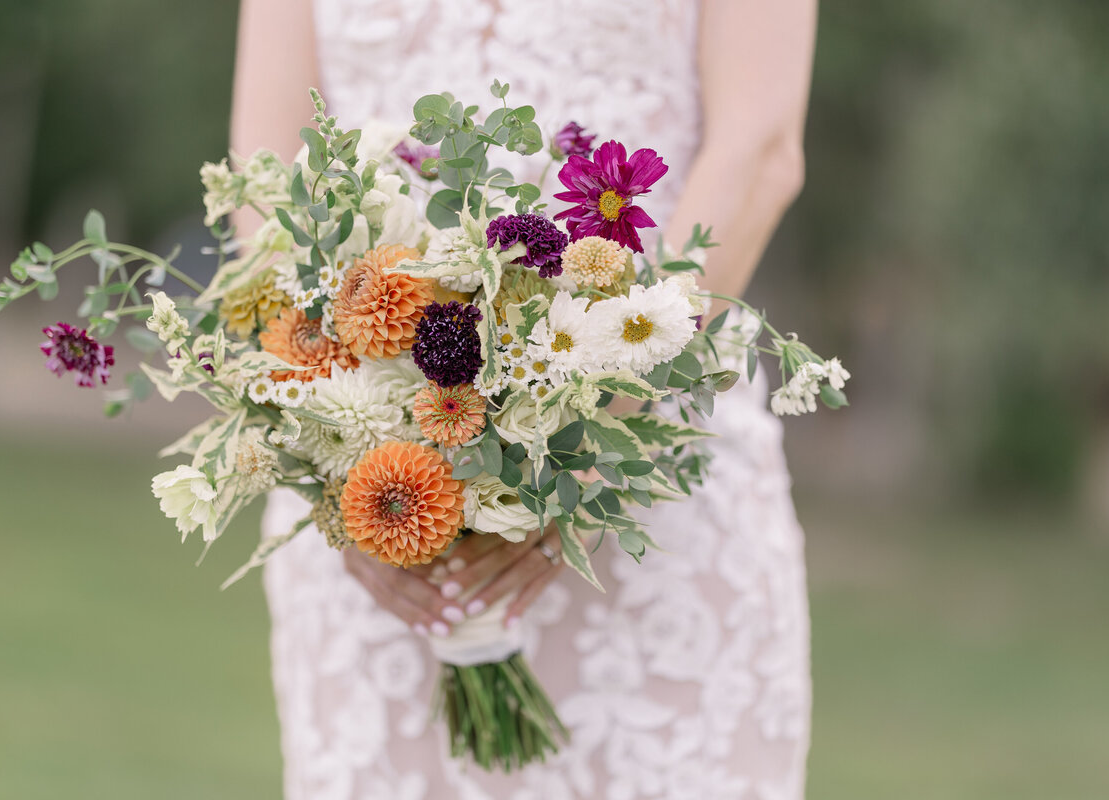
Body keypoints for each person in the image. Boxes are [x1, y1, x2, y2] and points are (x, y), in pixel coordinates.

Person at [233, 1, 818, 797]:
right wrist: (345, 472)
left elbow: (760, 151)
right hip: (385, 520)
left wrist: (578, 442)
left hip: (656, 493)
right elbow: (263, 185)